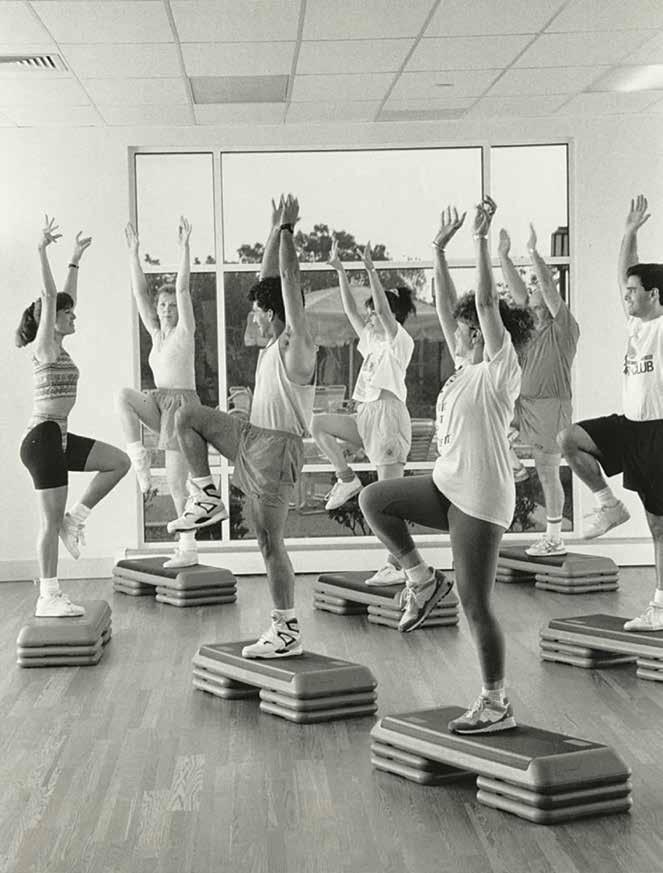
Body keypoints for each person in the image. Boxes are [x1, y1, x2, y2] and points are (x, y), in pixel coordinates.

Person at [359, 199, 535, 734]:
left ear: (477, 333)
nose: (451, 333)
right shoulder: (463, 368)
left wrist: (478, 240)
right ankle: (420, 577)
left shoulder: (499, 370)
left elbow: (484, 302)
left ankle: (496, 702)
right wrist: (436, 249)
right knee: (375, 499)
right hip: (446, 486)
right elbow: (445, 305)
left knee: (475, 604)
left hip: (480, 499)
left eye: (461, 329)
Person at [167, 195, 316, 658]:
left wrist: (288, 231)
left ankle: (286, 630)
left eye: (257, 312)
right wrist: (272, 231)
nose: (253, 317)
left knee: (269, 543)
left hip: (277, 453)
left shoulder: (297, 344)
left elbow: (287, 281)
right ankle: (205, 496)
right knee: (186, 415)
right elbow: (268, 280)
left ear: (272, 314)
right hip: (251, 438)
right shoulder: (272, 342)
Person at [559, 194, 663, 632]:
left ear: (654, 295)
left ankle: (660, 605)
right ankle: (608, 504)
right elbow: (627, 271)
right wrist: (629, 232)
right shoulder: (637, 324)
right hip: (629, 427)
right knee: (569, 439)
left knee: (658, 526)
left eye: (633, 292)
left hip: (658, 433)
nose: (626, 296)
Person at [17, 216, 130, 617]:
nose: (73, 317)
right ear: (52, 318)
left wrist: (76, 258)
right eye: (69, 314)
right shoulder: (45, 347)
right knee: (47, 523)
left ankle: (75, 519)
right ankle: (48, 595)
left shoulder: (60, 346)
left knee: (119, 462)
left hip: (57, 437)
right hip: (42, 439)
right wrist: (41, 250)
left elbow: (64, 298)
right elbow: (52, 297)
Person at [310, 239, 416, 586]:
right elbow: (351, 313)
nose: (369, 317)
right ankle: (346, 479)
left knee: (388, 500)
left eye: (374, 313)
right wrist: (341, 271)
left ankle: (395, 565)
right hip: (366, 415)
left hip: (388, 418)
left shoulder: (399, 341)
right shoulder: (370, 340)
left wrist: (371, 270)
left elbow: (383, 312)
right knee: (318, 424)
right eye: (369, 313)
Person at [117, 218, 200, 569]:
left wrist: (184, 249)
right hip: (161, 404)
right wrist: (133, 254)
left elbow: (182, 289)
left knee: (178, 485)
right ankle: (140, 464)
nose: (166, 309)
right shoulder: (155, 334)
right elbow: (140, 294)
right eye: (162, 305)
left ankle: (188, 548)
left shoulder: (184, 332)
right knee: (124, 396)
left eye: (170, 306)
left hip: (182, 409)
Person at [498, 223, 580, 556]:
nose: (530, 297)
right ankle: (516, 467)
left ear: (548, 304)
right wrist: (504, 257)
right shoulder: (531, 328)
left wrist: (533, 252)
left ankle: (554, 538)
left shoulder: (564, 328)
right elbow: (520, 294)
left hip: (550, 406)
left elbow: (546, 286)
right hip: (523, 404)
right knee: (489, 428)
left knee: (547, 472)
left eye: (536, 299)